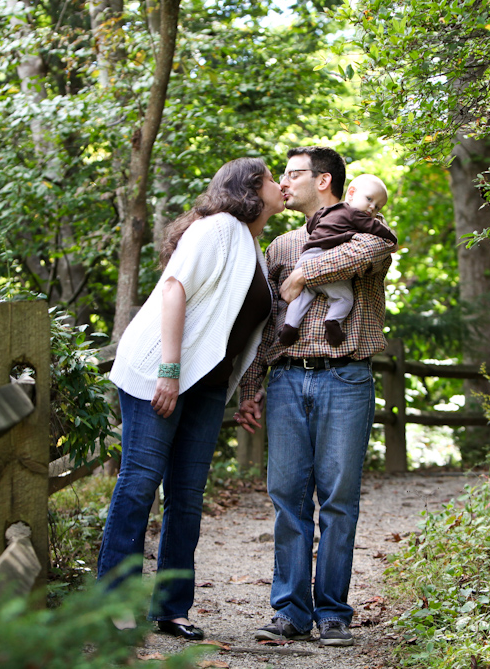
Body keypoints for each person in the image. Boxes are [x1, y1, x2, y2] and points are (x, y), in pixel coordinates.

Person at [100, 157, 283, 641]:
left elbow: (241, 332)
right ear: (249, 188)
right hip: (161, 371)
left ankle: (171, 608)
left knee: (186, 498)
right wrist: (169, 370)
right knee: (139, 483)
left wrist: (245, 391)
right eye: (270, 178)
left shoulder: (254, 247)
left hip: (205, 387)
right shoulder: (218, 228)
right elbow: (175, 288)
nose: (280, 183)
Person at [235, 146, 396, 647]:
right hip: (285, 381)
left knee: (339, 501)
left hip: (346, 379)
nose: (284, 182)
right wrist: (250, 385)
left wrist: (307, 274)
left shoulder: (364, 225)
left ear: (324, 180)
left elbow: (372, 252)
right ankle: (290, 613)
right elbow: (265, 323)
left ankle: (333, 615)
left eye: (294, 173)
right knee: (287, 499)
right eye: (282, 174)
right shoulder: (280, 245)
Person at [278, 174, 396, 348]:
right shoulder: (357, 215)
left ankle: (290, 326)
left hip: (306, 257)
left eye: (377, 207)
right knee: (343, 298)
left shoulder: (325, 213)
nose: (372, 208)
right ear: (351, 193)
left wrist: (303, 272)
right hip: (326, 255)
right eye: (369, 199)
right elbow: (377, 230)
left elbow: (312, 226)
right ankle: (333, 323)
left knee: (302, 297)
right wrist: (392, 238)